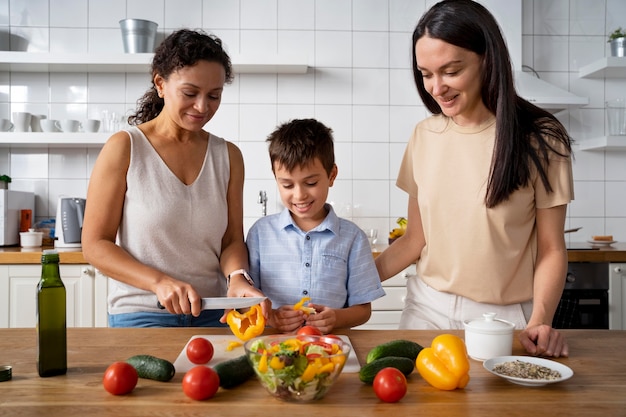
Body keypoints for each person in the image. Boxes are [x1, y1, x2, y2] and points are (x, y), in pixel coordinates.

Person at [375, 0, 573, 358]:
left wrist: (540, 320)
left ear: (487, 58)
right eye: (425, 74)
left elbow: (552, 248)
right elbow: (413, 240)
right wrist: (344, 286)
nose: (437, 87)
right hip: (426, 310)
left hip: (504, 319)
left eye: (451, 71)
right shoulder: (424, 135)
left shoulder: (541, 138)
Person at [82, 29, 267, 328]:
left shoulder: (228, 156)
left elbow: (231, 240)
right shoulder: (125, 148)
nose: (202, 107)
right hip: (142, 311)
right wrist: (159, 282)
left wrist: (237, 278)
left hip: (214, 310)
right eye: (190, 93)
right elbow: (95, 244)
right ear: (160, 84)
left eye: (214, 96)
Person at [246, 118, 385, 334]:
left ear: (331, 175)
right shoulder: (260, 233)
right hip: (272, 345)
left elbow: (363, 309)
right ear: (276, 178)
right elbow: (246, 299)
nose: (299, 195)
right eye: (287, 185)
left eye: (311, 183)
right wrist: (272, 317)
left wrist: (337, 317)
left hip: (331, 346)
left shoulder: (352, 238)